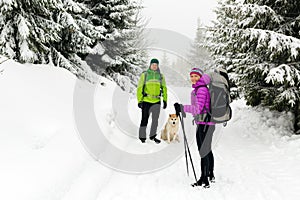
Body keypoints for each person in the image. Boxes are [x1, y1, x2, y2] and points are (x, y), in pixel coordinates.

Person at [174, 67, 215, 188]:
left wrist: (182, 108)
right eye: (191, 76)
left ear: (200, 77)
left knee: (203, 151)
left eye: (196, 76)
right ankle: (210, 174)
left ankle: (204, 179)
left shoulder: (201, 90)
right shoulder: (199, 89)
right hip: (206, 123)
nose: (193, 78)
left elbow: (198, 109)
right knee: (207, 150)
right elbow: (198, 109)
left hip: (205, 124)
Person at [136, 58, 168, 144]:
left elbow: (164, 88)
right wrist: (140, 100)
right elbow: (139, 88)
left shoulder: (161, 76)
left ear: (157, 66)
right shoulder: (145, 75)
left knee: (155, 120)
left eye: (156, 65)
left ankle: (152, 136)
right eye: (153, 64)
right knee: (144, 119)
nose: (154, 66)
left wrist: (165, 100)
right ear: (150, 65)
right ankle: (142, 137)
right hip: (146, 100)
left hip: (156, 101)